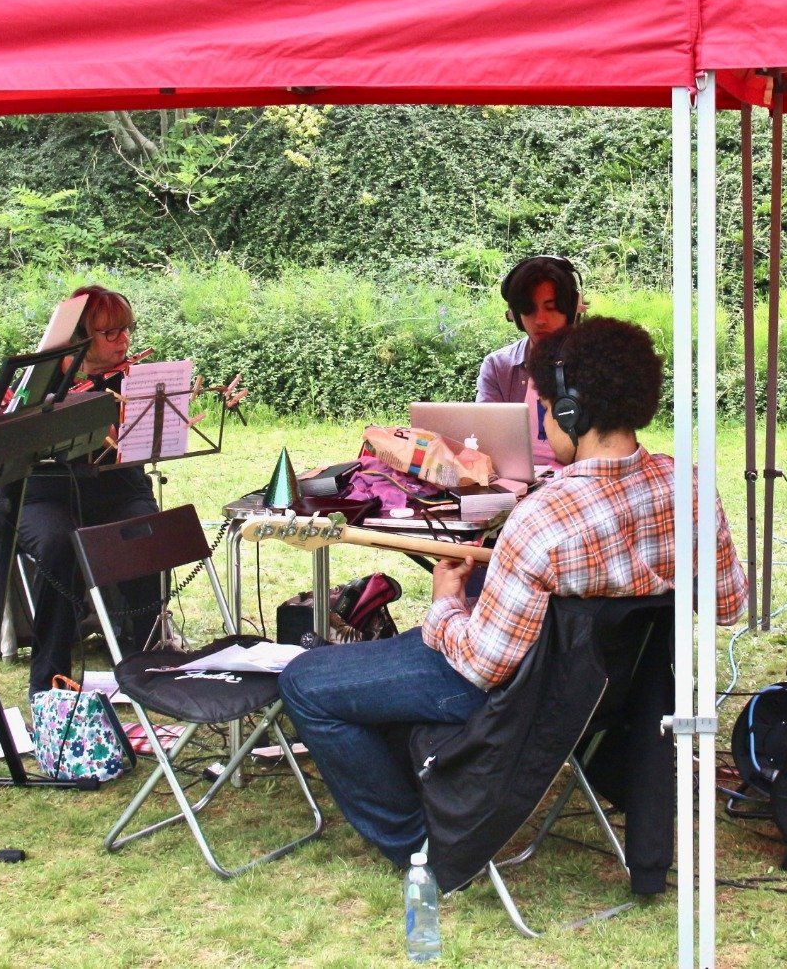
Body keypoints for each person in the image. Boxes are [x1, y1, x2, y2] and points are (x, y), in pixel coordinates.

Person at [280, 317, 747, 865]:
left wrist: (445, 604)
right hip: (613, 697)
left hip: (523, 702)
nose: (543, 424)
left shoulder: (542, 518)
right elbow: (728, 603)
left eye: (545, 411)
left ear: (571, 411)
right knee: (391, 661)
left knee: (304, 681)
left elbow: (482, 667)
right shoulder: (690, 485)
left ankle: (417, 843)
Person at [14, 285, 162, 698]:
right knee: (57, 544)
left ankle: (146, 658)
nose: (124, 341)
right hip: (45, 492)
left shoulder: (129, 378)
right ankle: (50, 679)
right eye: (110, 333)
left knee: (146, 529)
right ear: (79, 338)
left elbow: (141, 441)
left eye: (126, 330)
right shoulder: (42, 380)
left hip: (115, 486)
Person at [476, 255, 583, 468]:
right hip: (514, 482)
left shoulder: (596, 365)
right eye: (529, 309)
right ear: (515, 315)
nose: (540, 319)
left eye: (551, 308)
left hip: (577, 481)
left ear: (572, 309)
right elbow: (486, 440)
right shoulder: (498, 366)